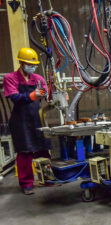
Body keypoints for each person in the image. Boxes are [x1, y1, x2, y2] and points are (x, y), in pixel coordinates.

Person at [3, 47, 51, 195]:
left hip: (37, 117)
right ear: (21, 63)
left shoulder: (38, 79)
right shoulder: (10, 78)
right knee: (25, 152)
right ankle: (26, 183)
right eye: (30, 64)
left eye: (34, 64)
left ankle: (47, 177)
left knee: (43, 148)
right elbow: (14, 97)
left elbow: (46, 94)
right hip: (20, 120)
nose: (33, 67)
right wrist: (31, 96)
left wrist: (49, 95)